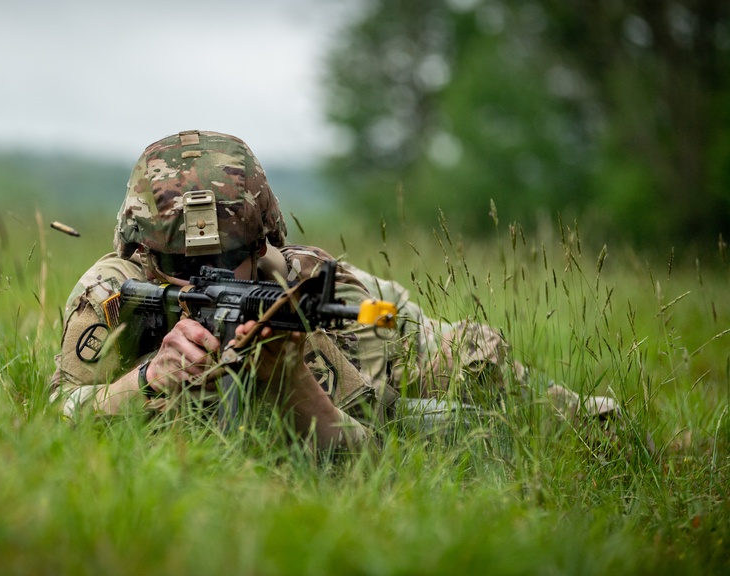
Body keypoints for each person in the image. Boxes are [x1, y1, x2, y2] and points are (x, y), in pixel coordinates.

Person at [48, 130, 613, 451]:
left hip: (361, 390)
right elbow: (58, 418)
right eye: (180, 263)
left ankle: (602, 427)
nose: (204, 279)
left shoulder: (298, 286)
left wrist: (292, 382)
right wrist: (147, 380)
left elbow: (373, 454)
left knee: (473, 368)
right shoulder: (116, 293)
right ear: (143, 250)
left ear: (261, 243)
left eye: (228, 259)